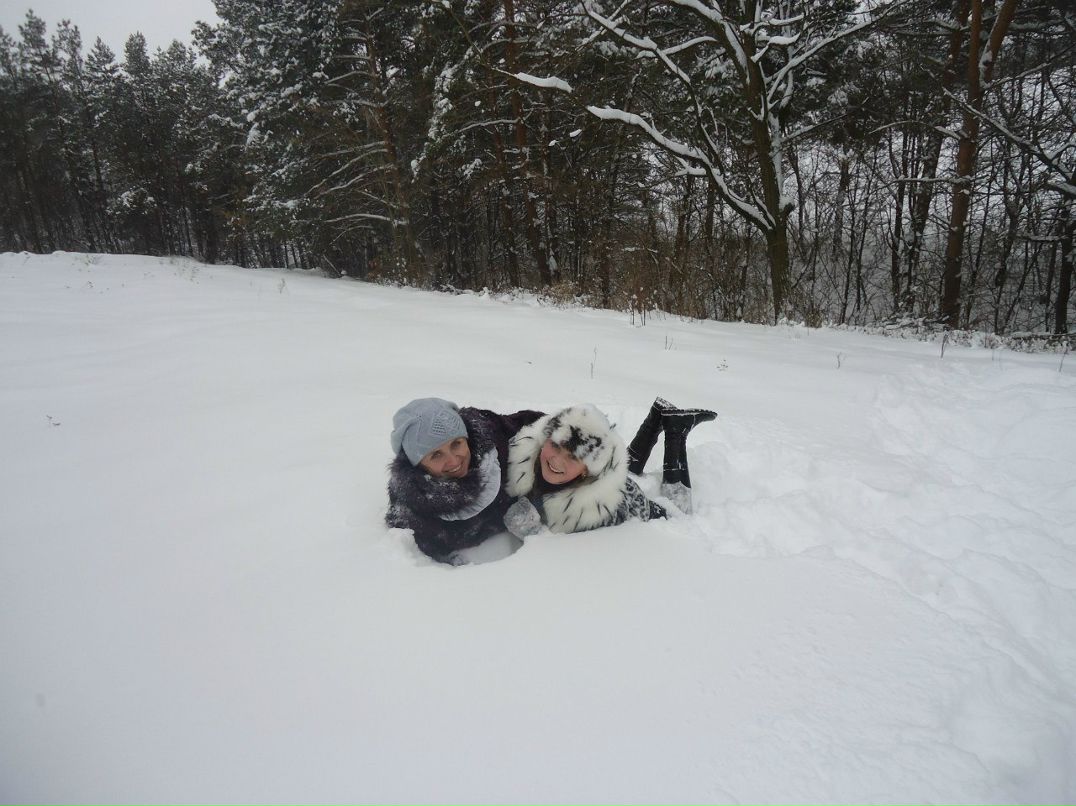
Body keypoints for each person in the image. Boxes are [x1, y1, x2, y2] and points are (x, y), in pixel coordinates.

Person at [503, 398, 716, 537]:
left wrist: (530, 529)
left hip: (634, 505)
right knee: (626, 468)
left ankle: (676, 430)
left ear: (587, 469)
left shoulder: (596, 513)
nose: (556, 461)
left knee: (679, 512)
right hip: (614, 477)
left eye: (573, 457)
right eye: (555, 445)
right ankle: (656, 417)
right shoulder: (522, 451)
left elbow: (560, 546)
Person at [385, 397, 543, 564]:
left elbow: (541, 426)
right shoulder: (413, 512)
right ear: (417, 464)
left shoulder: (495, 438)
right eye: (436, 454)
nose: (454, 461)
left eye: (456, 443)